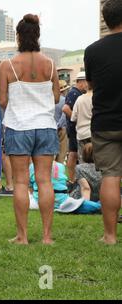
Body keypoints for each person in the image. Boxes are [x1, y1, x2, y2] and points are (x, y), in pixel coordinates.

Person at [0, 14, 60, 245]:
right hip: (45, 127)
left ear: (18, 37)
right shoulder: (51, 63)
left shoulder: (7, 65)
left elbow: (2, 101)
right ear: (37, 35)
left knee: (21, 182)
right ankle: (46, 236)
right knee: (44, 181)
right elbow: (55, 97)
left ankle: (22, 236)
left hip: (18, 126)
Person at [84, 0, 122, 244]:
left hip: (105, 121)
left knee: (110, 175)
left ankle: (109, 236)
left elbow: (91, 85)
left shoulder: (92, 51)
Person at [29, 160, 101, 215]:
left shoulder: (32, 166)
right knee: (86, 205)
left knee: (23, 197)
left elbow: (30, 187)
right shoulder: (60, 166)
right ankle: (103, 205)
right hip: (61, 200)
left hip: (39, 200)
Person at [63, 72, 88, 182]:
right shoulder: (74, 93)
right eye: (86, 82)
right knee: (74, 154)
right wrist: (77, 119)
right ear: (81, 82)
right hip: (74, 128)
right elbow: (65, 108)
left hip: (74, 128)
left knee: (73, 153)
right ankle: (72, 179)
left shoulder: (76, 93)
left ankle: (72, 179)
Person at [71, 86, 93, 163]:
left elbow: (73, 118)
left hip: (81, 134)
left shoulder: (79, 99)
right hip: (94, 133)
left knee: (83, 160)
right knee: (97, 160)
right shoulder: (97, 98)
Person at [55, 80, 71, 164]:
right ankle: (58, 174)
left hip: (50, 128)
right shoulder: (64, 100)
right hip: (61, 129)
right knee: (61, 154)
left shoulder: (51, 100)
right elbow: (64, 115)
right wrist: (59, 125)